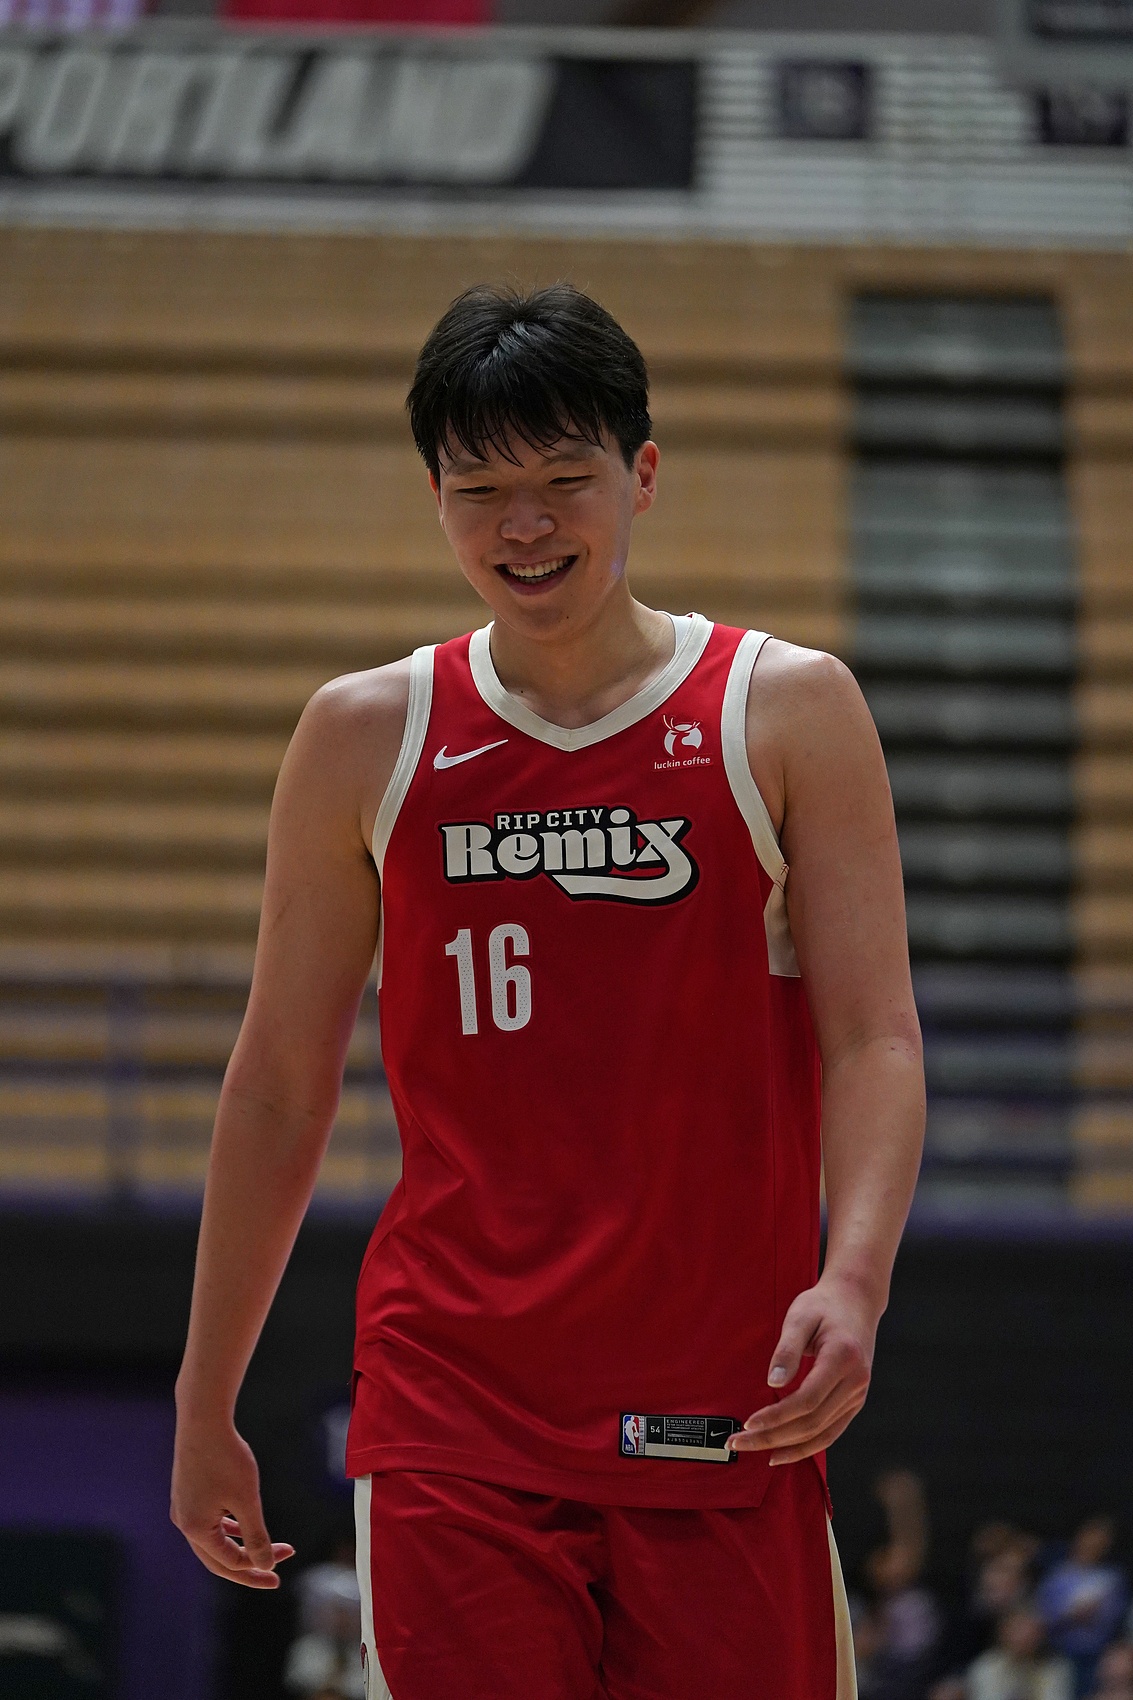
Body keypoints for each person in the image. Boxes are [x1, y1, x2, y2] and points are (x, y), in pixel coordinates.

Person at [170, 283, 926, 1699]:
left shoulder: (784, 710)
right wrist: (204, 1394)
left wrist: (856, 1274)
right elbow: (276, 1083)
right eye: (480, 491)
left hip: (724, 1406)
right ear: (435, 501)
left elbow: (872, 1036)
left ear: (641, 474)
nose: (523, 526)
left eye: (563, 480)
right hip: (455, 1411)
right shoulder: (364, 736)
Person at [1036, 1519, 1130, 1697]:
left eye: (1101, 1541)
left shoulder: (1112, 1578)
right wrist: (1070, 1615)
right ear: (1079, 1538)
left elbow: (1116, 1616)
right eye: (1091, 1538)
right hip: (1059, 1650)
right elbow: (1043, 1616)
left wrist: (1097, 1613)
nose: (1094, 1544)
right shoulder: (1058, 1575)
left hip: (1097, 1653)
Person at [965, 1608, 1073, 1700]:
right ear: (1003, 1633)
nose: (1024, 1638)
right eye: (1017, 1630)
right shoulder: (986, 1666)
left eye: (1030, 1632)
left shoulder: (1055, 1669)